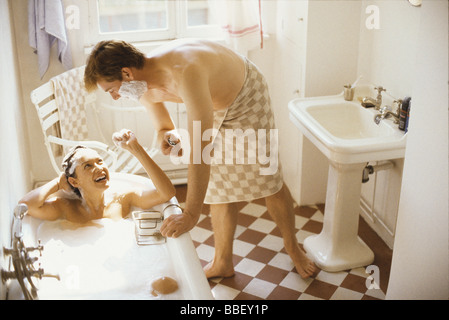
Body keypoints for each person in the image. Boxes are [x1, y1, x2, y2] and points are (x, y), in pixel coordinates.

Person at [84, 39, 317, 278]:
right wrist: (171, 139)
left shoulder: (185, 73)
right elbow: (164, 127)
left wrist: (191, 215)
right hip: (213, 102)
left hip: (245, 94)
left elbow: (200, 152)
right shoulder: (140, 86)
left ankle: (293, 247)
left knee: (270, 179)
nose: (114, 97)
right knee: (218, 186)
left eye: (111, 90)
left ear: (126, 73)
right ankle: (222, 262)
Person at [19, 129, 175, 223]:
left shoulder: (124, 198)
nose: (100, 168)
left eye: (100, 161)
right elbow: (26, 205)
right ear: (74, 181)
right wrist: (59, 182)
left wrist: (136, 150)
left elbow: (166, 193)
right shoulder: (67, 208)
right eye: (88, 166)